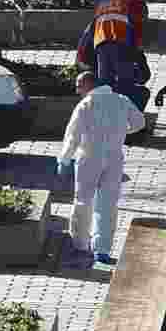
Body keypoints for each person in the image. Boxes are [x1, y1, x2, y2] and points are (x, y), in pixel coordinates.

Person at [57, 73, 146, 266]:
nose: (77, 91)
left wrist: (64, 159)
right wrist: (122, 131)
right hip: (114, 158)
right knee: (108, 204)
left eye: (78, 86)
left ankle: (80, 244)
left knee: (83, 200)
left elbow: (73, 136)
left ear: (87, 85)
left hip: (89, 157)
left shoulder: (86, 105)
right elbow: (140, 123)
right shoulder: (122, 100)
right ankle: (103, 249)